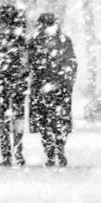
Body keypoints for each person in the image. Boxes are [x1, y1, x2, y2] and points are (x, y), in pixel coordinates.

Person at [28, 13, 77, 167]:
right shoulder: (36, 42)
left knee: (54, 121)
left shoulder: (61, 41)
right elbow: (30, 62)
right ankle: (52, 151)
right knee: (49, 121)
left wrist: (63, 80)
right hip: (48, 86)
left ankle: (56, 150)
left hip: (55, 86)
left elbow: (70, 63)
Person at [0, 5, 28, 166]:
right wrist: (22, 74)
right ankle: (17, 152)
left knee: (4, 119)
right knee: (17, 118)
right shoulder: (19, 36)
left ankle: (7, 153)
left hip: (1, 82)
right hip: (16, 82)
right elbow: (26, 59)